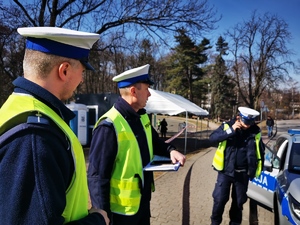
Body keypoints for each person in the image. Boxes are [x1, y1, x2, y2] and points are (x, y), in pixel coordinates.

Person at [0, 27, 109, 225]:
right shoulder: (35, 136)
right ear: (64, 70)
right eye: (82, 71)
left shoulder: (22, 110)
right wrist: (98, 220)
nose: (82, 80)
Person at [87, 64, 186, 225]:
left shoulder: (141, 117)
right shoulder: (109, 125)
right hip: (119, 214)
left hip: (142, 205)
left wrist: (171, 151)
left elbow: (155, 141)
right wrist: (102, 216)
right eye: (146, 89)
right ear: (133, 91)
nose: (149, 95)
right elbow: (97, 177)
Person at [209, 106, 265, 225]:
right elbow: (212, 138)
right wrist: (231, 130)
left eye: (250, 122)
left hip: (242, 174)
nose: (248, 125)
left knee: (239, 203)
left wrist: (255, 170)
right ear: (238, 117)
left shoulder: (255, 132)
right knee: (219, 200)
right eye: (246, 122)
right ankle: (215, 223)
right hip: (225, 172)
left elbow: (260, 151)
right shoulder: (227, 126)